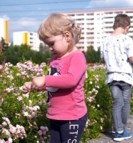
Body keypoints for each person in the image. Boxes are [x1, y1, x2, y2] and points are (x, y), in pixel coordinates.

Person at [22, 13, 87, 143]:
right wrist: (36, 86)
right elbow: (55, 83)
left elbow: (70, 80)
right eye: (47, 45)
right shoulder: (55, 59)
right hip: (55, 114)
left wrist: (45, 79)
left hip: (72, 116)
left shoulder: (77, 57)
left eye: (52, 43)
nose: (50, 48)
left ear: (67, 36)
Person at [100, 14, 133, 142]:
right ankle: (122, 129)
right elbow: (132, 58)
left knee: (117, 103)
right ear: (127, 27)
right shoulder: (128, 40)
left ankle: (118, 131)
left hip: (112, 77)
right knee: (125, 103)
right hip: (125, 77)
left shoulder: (105, 40)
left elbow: (102, 59)